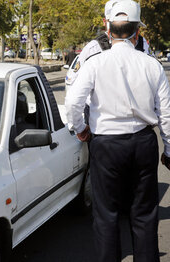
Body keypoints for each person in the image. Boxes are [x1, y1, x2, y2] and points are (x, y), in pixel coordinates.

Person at [65, 1, 170, 261]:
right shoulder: (151, 65)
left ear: (108, 30)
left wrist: (80, 130)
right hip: (144, 143)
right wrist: (168, 149)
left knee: (106, 216)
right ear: (137, 33)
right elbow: (166, 114)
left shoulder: (94, 63)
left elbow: (72, 103)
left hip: (106, 146)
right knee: (144, 215)